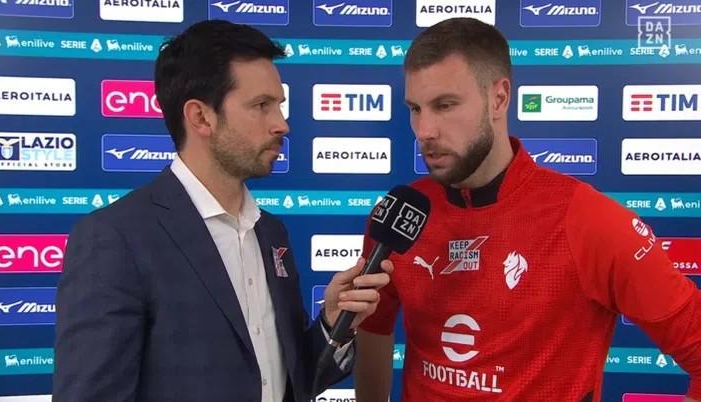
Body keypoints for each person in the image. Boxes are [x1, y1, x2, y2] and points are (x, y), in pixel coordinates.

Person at [354, 17, 701, 402]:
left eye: (445, 105)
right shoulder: (398, 216)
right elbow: (372, 325)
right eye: (415, 108)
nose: (424, 130)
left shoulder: (587, 219)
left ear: (499, 98)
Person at [53, 20, 392, 402]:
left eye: (279, 105)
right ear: (201, 117)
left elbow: (292, 382)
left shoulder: (270, 231)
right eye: (261, 106)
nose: (281, 124)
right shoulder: (116, 238)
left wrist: (334, 322)